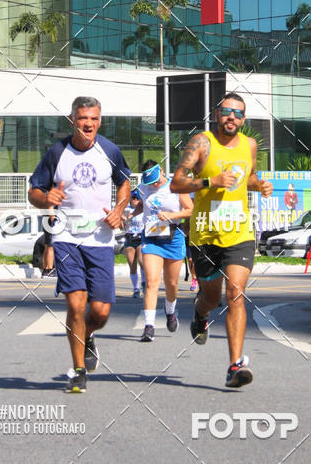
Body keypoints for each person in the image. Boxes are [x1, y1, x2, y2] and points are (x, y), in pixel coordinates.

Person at [28, 97, 131, 393]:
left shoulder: (109, 150)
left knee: (99, 312)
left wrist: (119, 209)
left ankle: (87, 335)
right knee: (75, 304)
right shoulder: (56, 153)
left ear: (100, 121)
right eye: (83, 118)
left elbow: (124, 182)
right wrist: (45, 199)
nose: (89, 124)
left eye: (94, 119)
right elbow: (34, 191)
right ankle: (78, 371)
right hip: (66, 238)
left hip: (100, 240)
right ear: (72, 119)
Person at [170, 92, 273, 388]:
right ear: (217, 114)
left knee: (236, 294)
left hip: (239, 234)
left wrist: (260, 184)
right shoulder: (202, 143)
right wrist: (209, 181)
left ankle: (234, 365)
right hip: (205, 234)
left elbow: (248, 177)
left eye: (238, 114)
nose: (232, 117)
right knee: (212, 299)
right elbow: (177, 181)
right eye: (227, 111)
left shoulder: (249, 145)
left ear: (243, 119)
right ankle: (200, 314)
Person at [135, 161, 193, 342]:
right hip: (151, 237)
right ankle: (149, 326)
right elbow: (141, 205)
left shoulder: (176, 186)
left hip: (173, 238)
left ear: (161, 171)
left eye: (156, 180)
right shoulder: (143, 188)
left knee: (172, 285)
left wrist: (172, 216)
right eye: (150, 182)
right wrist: (130, 214)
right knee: (152, 281)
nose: (154, 184)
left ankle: (170, 311)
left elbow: (190, 210)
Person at [123, 190, 145, 298]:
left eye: (137, 198)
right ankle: (136, 288)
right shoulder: (126, 210)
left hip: (141, 238)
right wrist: (123, 221)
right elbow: (121, 226)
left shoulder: (143, 209)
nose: (135, 200)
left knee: (142, 262)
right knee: (132, 265)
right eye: (133, 198)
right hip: (130, 238)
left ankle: (144, 283)